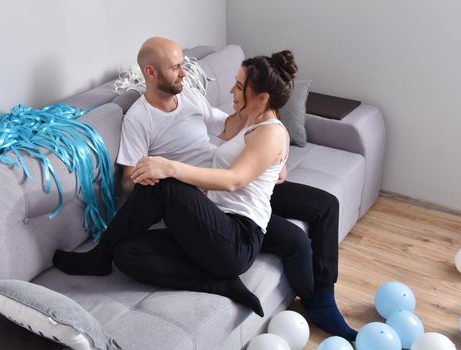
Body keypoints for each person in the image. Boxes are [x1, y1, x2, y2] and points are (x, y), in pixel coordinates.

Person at [55, 37, 357, 341]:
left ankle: (322, 300)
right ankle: (231, 283)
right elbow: (129, 180)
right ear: (150, 73)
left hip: (226, 184)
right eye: (175, 68)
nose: (184, 73)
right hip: (205, 195)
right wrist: (167, 174)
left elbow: (226, 130)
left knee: (323, 206)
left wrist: (271, 156)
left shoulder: (191, 98)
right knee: (129, 252)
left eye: (182, 65)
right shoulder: (139, 118)